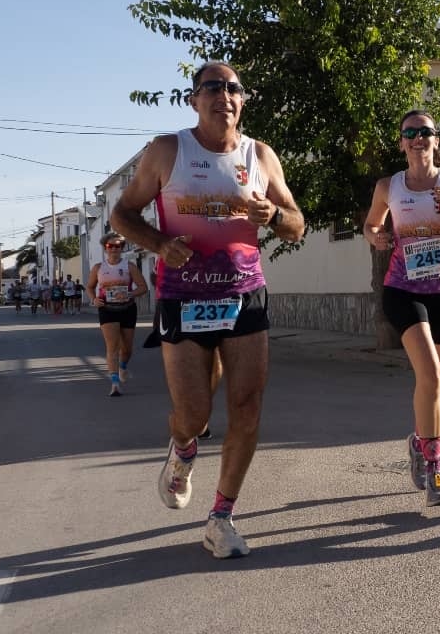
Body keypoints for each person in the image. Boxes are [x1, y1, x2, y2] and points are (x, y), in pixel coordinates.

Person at [111, 60, 304, 559]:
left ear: (243, 100)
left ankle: (221, 517)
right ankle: (183, 448)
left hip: (243, 294)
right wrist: (159, 243)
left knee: (247, 407)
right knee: (195, 413)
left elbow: (296, 224)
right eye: (212, 87)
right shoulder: (167, 151)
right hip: (184, 296)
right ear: (194, 99)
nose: (225, 95)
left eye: (234, 88)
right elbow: (122, 213)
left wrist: (274, 214)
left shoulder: (260, 155)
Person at [362, 110, 440, 508]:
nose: (418, 138)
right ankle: (435, 470)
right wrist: (376, 237)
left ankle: (419, 440)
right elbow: (371, 225)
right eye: (410, 132)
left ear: (436, 140)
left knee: (432, 384)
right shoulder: (389, 186)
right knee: (430, 375)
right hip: (403, 290)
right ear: (402, 142)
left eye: (426, 132)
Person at [87, 233, 148, 397]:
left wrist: (129, 294)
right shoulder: (98, 268)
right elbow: (90, 287)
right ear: (105, 248)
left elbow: (143, 287)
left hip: (127, 309)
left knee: (127, 349)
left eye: (118, 246)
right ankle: (114, 383)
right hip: (107, 309)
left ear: (122, 248)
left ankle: (123, 366)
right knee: (112, 347)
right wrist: (94, 300)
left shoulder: (129, 266)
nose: (114, 249)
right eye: (110, 246)